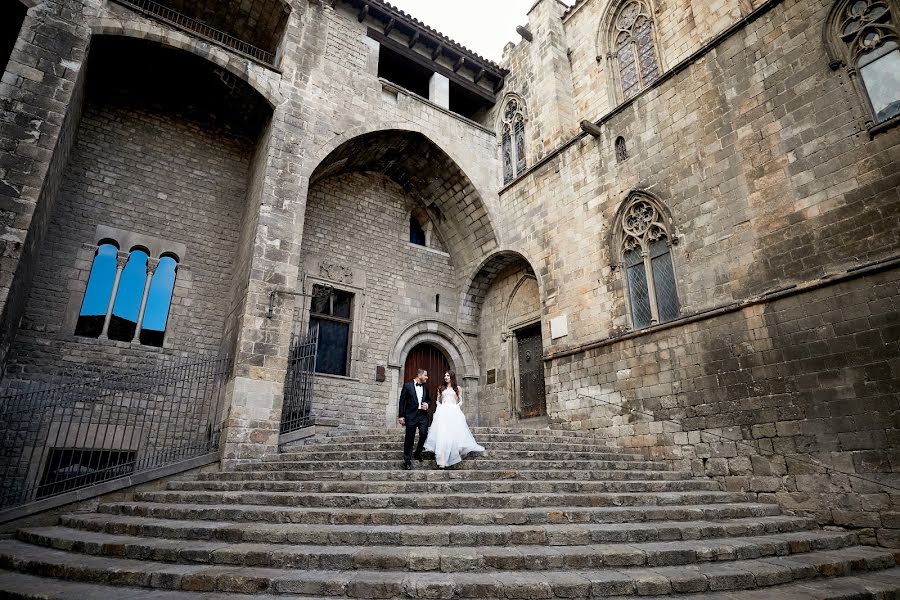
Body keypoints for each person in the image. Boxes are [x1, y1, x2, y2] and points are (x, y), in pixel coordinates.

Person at [424, 371, 484, 468]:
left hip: (453, 412)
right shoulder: (440, 388)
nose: (445, 377)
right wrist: (440, 407)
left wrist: (456, 407)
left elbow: (460, 401)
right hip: (443, 412)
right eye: (445, 375)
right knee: (442, 434)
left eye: (447, 375)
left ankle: (452, 454)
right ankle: (441, 461)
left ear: (452, 377)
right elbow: (437, 400)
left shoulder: (457, 388)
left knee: (452, 433)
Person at [398, 368, 430, 470]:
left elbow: (428, 399)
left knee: (424, 433)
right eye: (425, 375)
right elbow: (402, 401)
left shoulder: (425, 387)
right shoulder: (407, 386)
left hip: (422, 415)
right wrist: (401, 416)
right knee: (409, 438)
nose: (427, 377)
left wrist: (427, 405)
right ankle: (407, 461)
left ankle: (418, 452)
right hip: (410, 416)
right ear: (419, 375)